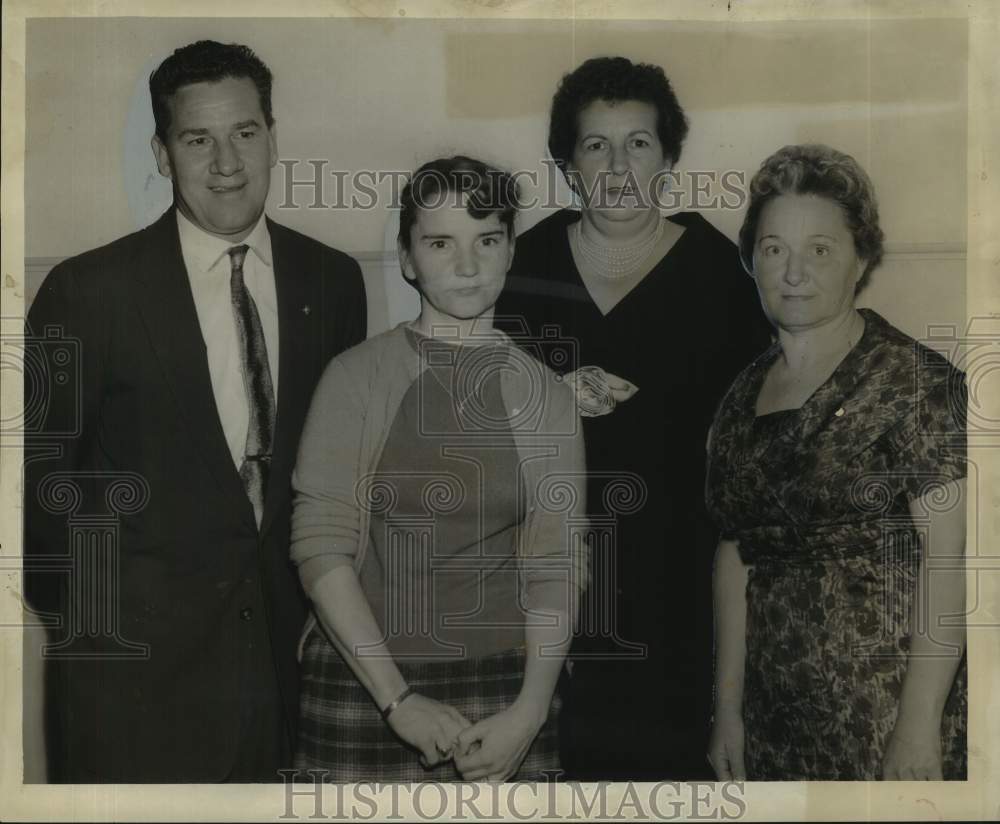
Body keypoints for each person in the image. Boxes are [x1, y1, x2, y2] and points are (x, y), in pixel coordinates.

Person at [23, 40, 367, 782]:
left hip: (290, 673)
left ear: (273, 135)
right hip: (132, 688)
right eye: (196, 138)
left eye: (245, 133)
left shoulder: (333, 281)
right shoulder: (86, 293)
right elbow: (37, 497)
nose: (226, 163)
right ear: (160, 152)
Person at [494, 56, 771, 779]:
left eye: (638, 144)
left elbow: (748, 452)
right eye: (595, 145)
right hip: (549, 587)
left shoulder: (718, 273)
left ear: (669, 158)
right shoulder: (526, 263)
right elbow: (480, 420)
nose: (617, 165)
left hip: (678, 603)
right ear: (568, 165)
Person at [290, 156, 587, 782]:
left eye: (487, 239)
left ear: (510, 250)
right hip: (364, 682)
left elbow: (557, 564)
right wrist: (397, 700)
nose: (467, 263)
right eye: (440, 242)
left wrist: (529, 713)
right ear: (407, 259)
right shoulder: (354, 376)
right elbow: (321, 550)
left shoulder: (549, 395)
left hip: (507, 697)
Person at [705, 144, 967, 780]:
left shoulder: (915, 383)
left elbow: (953, 561)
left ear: (862, 259)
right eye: (774, 249)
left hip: (884, 718)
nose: (795, 272)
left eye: (820, 249)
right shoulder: (740, 395)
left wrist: (916, 728)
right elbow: (737, 553)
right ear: (751, 259)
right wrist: (727, 710)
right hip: (771, 720)